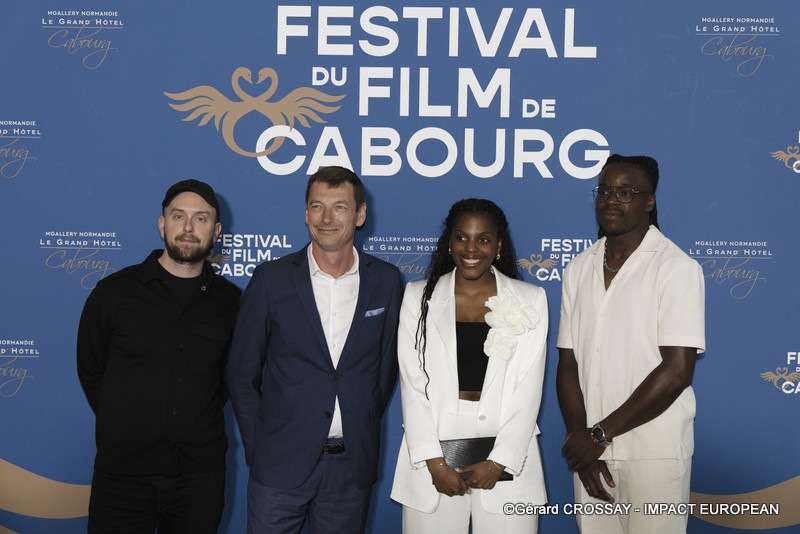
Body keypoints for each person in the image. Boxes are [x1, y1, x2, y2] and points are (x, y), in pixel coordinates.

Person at [227, 166, 403, 534]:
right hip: (278, 464)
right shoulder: (270, 279)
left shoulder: (386, 281)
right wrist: (261, 447)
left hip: (351, 467)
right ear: (305, 213)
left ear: (360, 214)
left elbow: (384, 373)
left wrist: (359, 422)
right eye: (317, 206)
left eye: (339, 207)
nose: (326, 218)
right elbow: (242, 374)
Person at [77, 179, 241, 534]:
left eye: (200, 219)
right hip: (122, 473)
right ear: (162, 223)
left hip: (199, 477)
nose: (187, 227)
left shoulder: (232, 303)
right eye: (178, 215)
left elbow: (230, 378)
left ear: (216, 232)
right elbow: (92, 369)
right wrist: (123, 418)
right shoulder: (114, 293)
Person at [556, 154, 706, 534]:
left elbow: (676, 372)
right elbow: (568, 364)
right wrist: (582, 445)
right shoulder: (578, 267)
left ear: (649, 202)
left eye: (626, 192)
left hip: (652, 452)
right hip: (592, 456)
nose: (611, 199)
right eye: (604, 190)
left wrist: (598, 435)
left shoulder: (676, 268)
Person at [391, 198, 548, 534]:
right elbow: (412, 386)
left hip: (507, 455)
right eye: (461, 237)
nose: (471, 248)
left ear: (500, 245)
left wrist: (498, 462)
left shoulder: (530, 299)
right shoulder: (418, 297)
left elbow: (528, 389)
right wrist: (434, 462)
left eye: (484, 239)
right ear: (449, 243)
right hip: (433, 455)